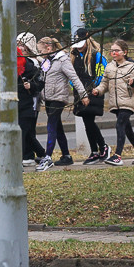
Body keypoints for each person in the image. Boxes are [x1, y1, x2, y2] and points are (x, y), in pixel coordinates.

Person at [36, 36, 88, 171]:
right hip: (48, 98)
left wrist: (83, 94)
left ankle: (47, 157)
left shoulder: (62, 60)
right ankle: (66, 155)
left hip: (58, 98)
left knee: (51, 125)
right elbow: (40, 62)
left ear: (48, 48)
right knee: (57, 127)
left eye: (41, 51)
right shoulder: (47, 60)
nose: (40, 53)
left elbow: (74, 78)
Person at [92, 39, 134, 165]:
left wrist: (133, 83)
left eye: (116, 50)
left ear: (124, 52)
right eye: (112, 50)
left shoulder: (132, 67)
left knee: (120, 125)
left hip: (128, 102)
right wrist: (98, 91)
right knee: (127, 129)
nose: (113, 53)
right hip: (115, 103)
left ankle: (117, 156)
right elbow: (104, 83)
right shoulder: (109, 66)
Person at [70, 29, 109, 164]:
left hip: (92, 92)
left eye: (81, 44)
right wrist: (75, 88)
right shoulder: (74, 56)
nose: (79, 48)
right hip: (80, 93)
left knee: (89, 121)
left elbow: (102, 74)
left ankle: (102, 147)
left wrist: (94, 88)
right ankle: (95, 151)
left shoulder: (96, 56)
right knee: (87, 122)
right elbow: (72, 75)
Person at [17, 45, 46, 165]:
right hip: (14, 106)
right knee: (27, 133)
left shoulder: (30, 67)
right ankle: (41, 153)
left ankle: (26, 156)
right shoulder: (8, 69)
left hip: (27, 105)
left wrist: (31, 86)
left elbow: (39, 84)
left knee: (24, 132)